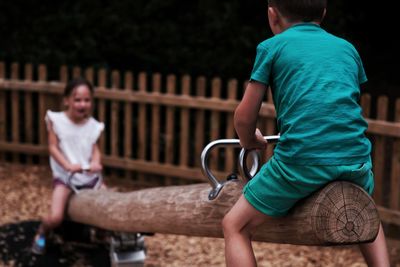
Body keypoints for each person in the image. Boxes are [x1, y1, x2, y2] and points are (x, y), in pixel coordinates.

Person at [222, 0, 390, 266]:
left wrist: (249, 140)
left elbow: (244, 117)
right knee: (366, 210)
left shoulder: (272, 47)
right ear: (323, 13)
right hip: (356, 162)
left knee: (234, 225)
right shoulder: (347, 49)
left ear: (272, 15)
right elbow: (340, 108)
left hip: (301, 163)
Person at [31, 77, 105, 255]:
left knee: (106, 205)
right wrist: (67, 165)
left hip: (88, 177)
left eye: (86, 100)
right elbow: (53, 147)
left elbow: (95, 148)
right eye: (77, 99)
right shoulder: (57, 121)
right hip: (66, 177)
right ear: (67, 101)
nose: (82, 104)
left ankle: (102, 236)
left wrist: (96, 162)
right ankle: (42, 232)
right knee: (56, 217)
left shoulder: (93, 126)